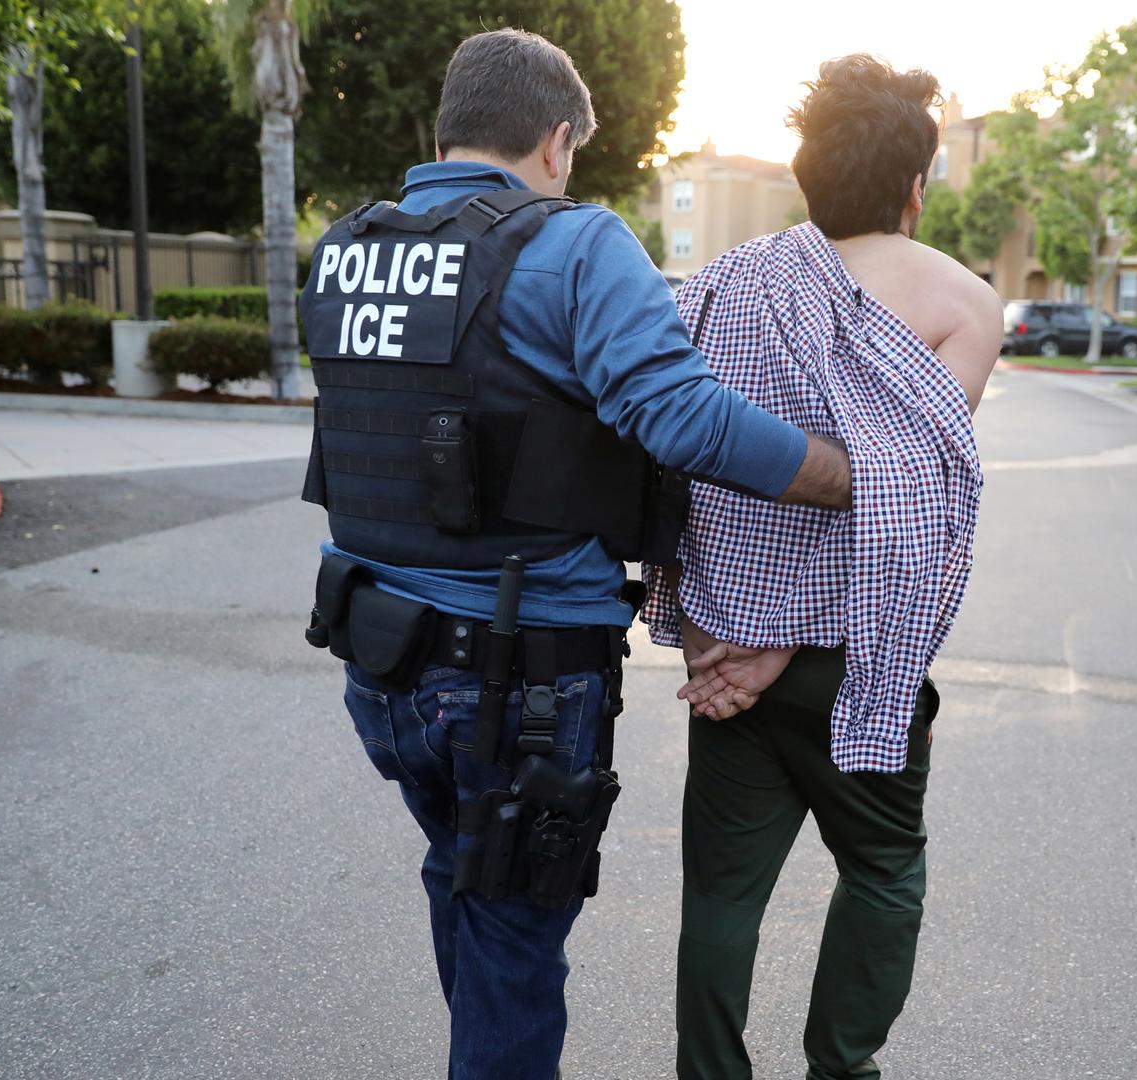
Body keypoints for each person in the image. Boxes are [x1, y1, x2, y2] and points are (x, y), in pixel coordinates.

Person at [295, 29, 853, 1080]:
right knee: (513, 940)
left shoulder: (345, 247)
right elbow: (680, 418)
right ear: (557, 141)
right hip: (518, 678)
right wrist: (845, 473)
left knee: (460, 871)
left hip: (381, 662)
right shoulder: (577, 244)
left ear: (448, 128)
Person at [639, 55, 1002, 1080]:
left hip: (724, 653)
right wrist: (785, 643)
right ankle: (842, 1070)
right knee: (882, 869)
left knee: (719, 895)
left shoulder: (717, 288)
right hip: (854, 654)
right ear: (916, 184)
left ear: (806, 178)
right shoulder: (963, 304)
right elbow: (905, 507)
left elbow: (668, 471)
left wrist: (718, 637)